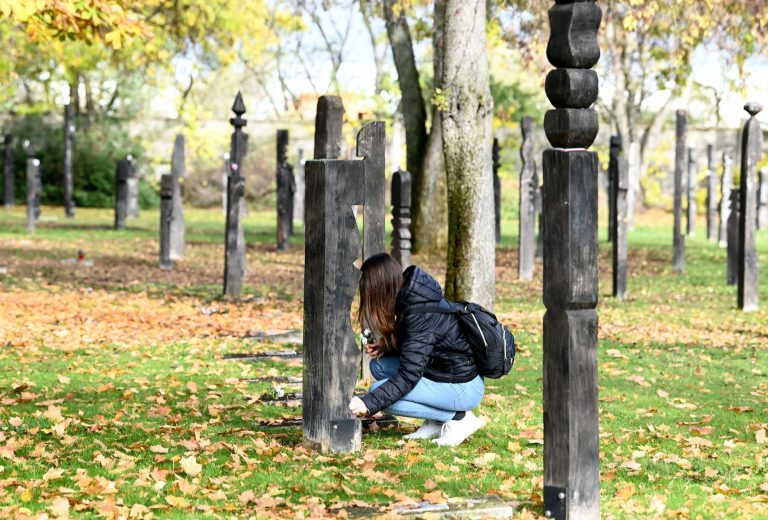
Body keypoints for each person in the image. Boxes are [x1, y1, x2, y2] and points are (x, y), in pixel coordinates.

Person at [348, 253, 485, 447]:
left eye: (369, 292)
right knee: (379, 367)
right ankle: (437, 421)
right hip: (443, 371)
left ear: (381, 288)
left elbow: (409, 374)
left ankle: (460, 418)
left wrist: (368, 403)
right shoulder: (411, 297)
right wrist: (387, 346)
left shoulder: (419, 311)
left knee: (379, 395)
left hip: (463, 386)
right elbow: (421, 346)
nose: (368, 297)